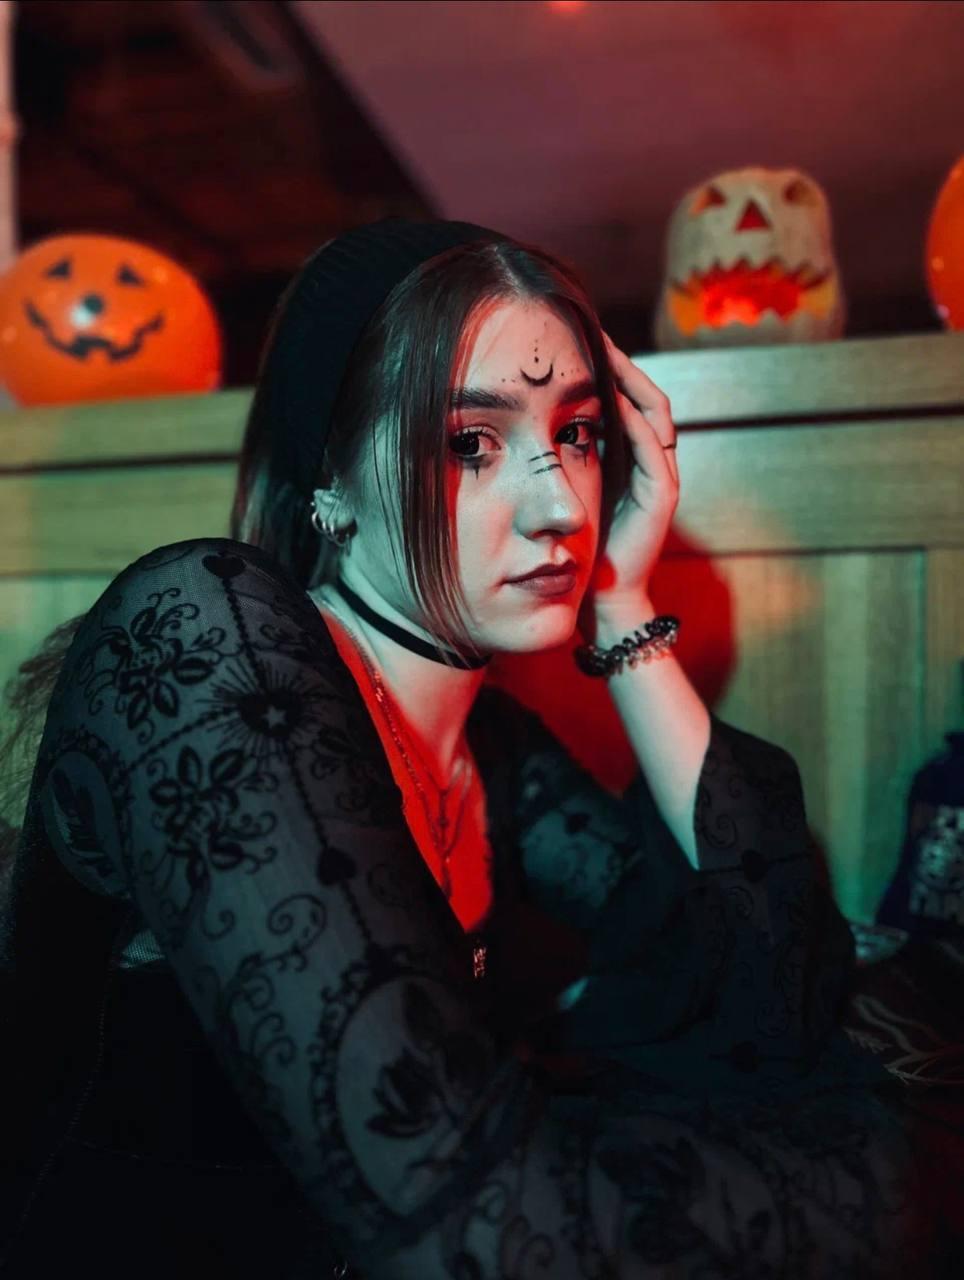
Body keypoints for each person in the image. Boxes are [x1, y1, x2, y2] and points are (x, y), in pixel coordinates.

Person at [0, 219, 945, 1278]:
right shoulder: (204, 633)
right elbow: (478, 1225)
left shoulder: (495, 750)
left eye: (579, 432)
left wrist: (625, 606)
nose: (562, 506)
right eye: (469, 443)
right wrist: (902, 1196)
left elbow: (764, 985)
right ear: (328, 473)